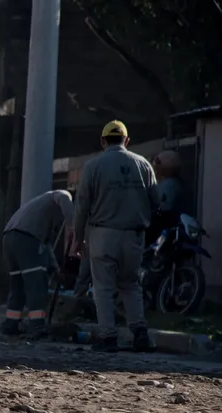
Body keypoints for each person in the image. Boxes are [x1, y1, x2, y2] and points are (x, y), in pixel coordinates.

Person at [71, 121, 159, 353]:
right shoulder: (144, 165)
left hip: (103, 234)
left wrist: (78, 238)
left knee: (103, 287)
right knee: (131, 284)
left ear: (103, 141)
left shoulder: (93, 166)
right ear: (127, 141)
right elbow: (156, 201)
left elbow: (82, 206)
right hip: (134, 236)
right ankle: (140, 332)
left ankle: (108, 336)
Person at [2, 190, 74, 337]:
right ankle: (37, 326)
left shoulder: (39, 209)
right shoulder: (62, 196)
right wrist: (73, 225)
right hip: (27, 240)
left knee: (18, 286)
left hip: (9, 238)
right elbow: (62, 197)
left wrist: (55, 269)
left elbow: (46, 244)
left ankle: (10, 325)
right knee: (37, 285)